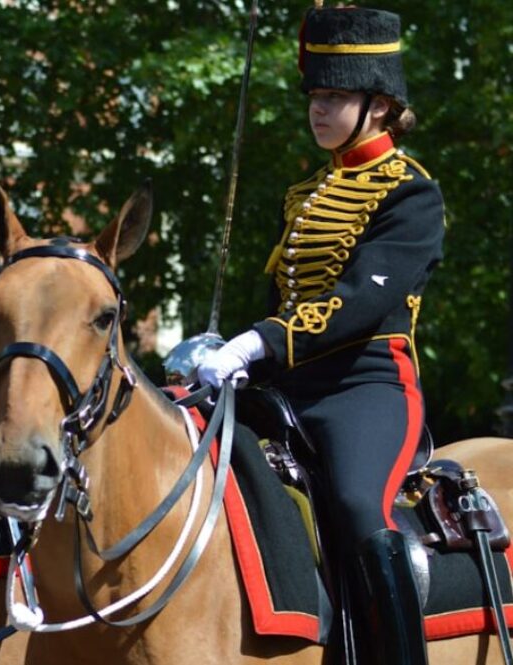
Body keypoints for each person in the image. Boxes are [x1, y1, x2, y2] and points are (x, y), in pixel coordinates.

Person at [196, 6, 442, 665]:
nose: (318, 108)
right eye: (314, 95)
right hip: (286, 388)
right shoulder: (306, 193)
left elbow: (362, 301)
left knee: (361, 503)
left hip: (365, 386)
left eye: (334, 95)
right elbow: (281, 294)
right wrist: (222, 352)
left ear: (382, 106)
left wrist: (259, 341)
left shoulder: (411, 193)